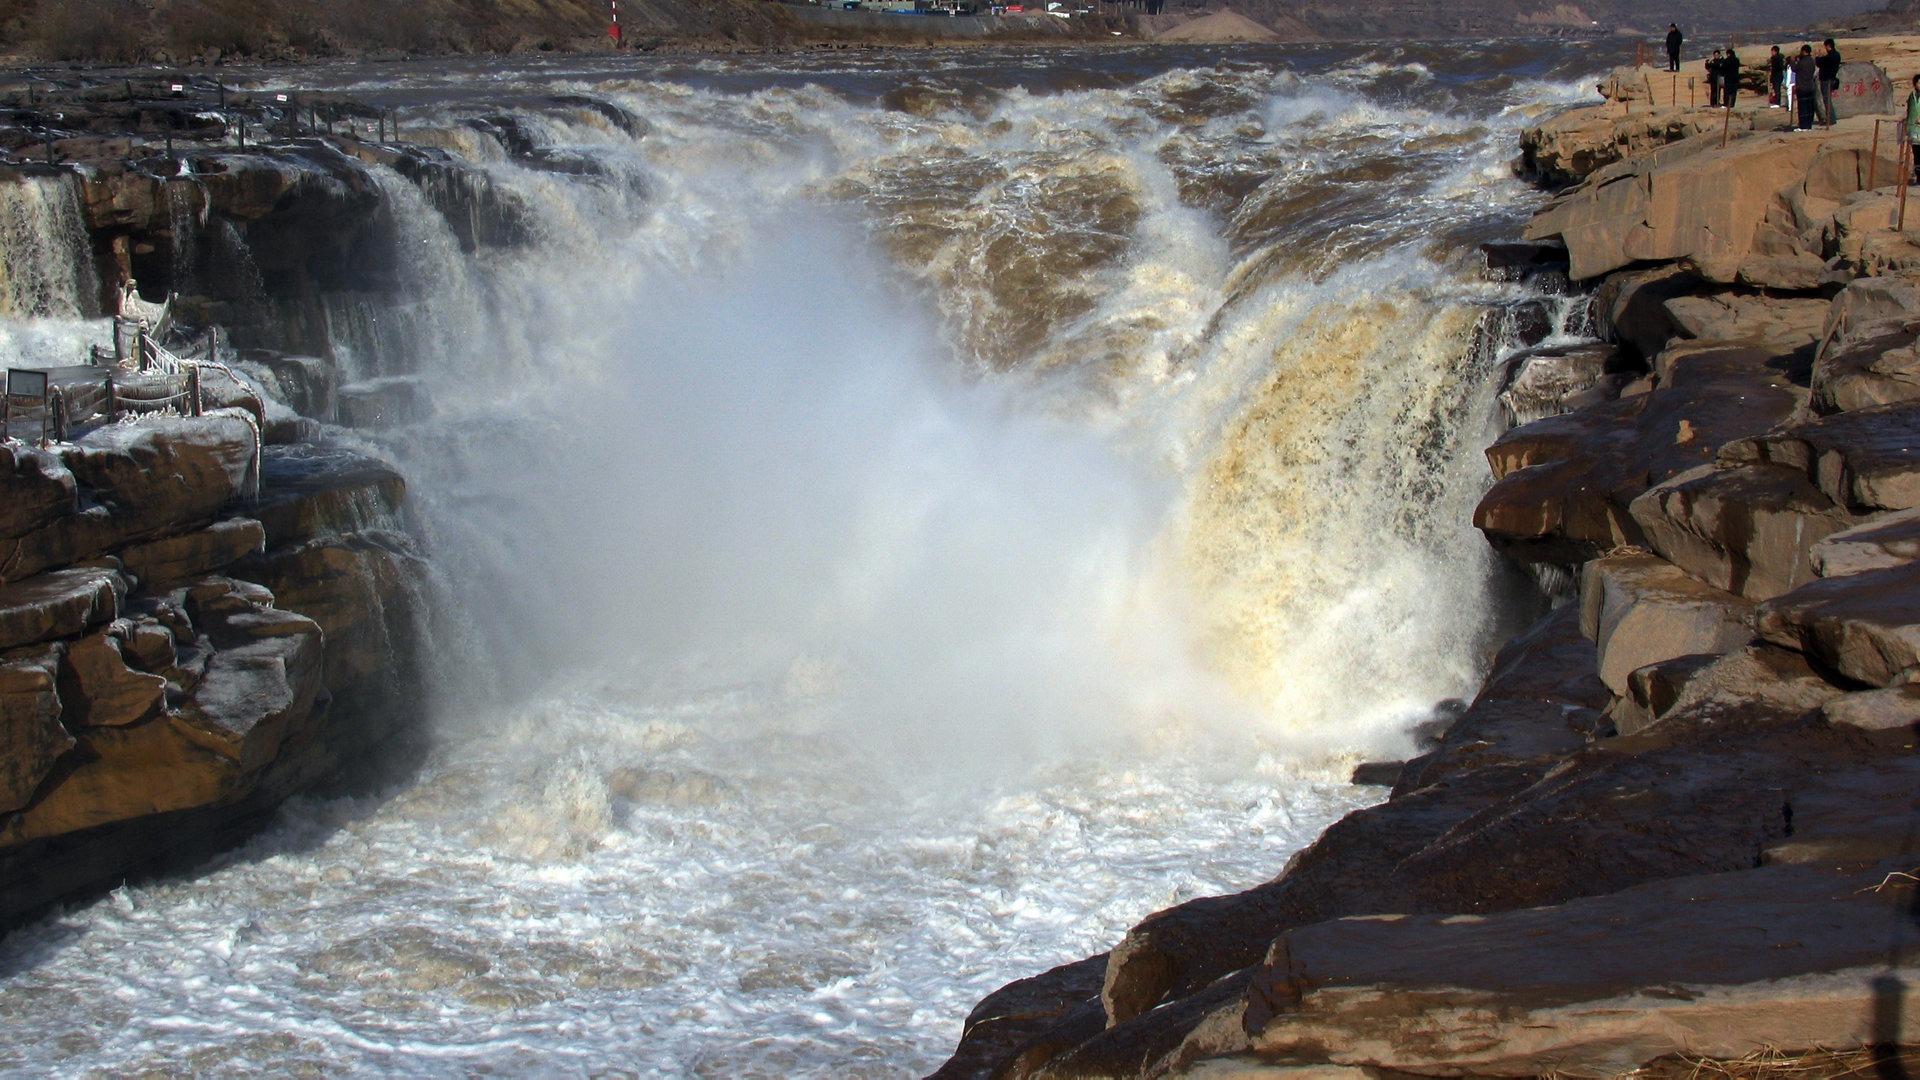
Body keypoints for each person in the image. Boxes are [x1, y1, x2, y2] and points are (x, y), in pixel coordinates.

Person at [1793, 44, 1820, 130]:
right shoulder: (1811, 60)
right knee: (1809, 107)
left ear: (1804, 52)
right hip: (1810, 86)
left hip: (1802, 86)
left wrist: (1792, 61)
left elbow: (1794, 68)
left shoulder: (1803, 62)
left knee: (1802, 107)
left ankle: (1803, 126)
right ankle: (1808, 125)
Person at [1817, 37, 1843, 125]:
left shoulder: (1830, 56)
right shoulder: (1837, 55)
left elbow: (1820, 63)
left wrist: (1819, 56)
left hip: (1826, 79)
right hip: (1832, 79)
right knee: (1828, 99)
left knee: (1827, 100)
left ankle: (1831, 119)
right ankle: (1831, 118)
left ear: (1828, 46)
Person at [1908, 74, 1920, 183]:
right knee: (1916, 153)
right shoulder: (1912, 96)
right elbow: (1910, 112)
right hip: (1914, 130)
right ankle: (1918, 177)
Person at [1721, 44, 1741, 109]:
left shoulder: (1726, 60)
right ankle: (1732, 104)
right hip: (1735, 78)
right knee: (1733, 93)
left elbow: (1723, 69)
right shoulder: (1737, 60)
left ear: (1728, 54)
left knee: (1727, 92)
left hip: (1728, 78)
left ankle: (1726, 104)